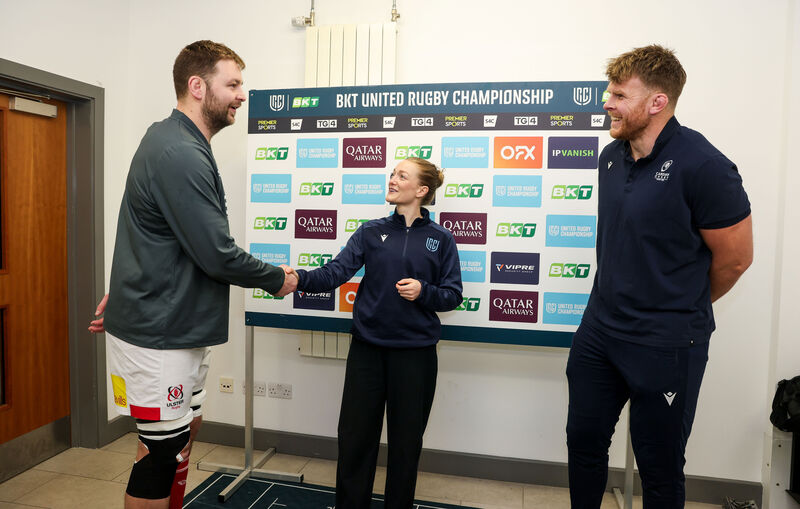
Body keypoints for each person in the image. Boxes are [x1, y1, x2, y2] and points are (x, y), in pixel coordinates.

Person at [88, 40, 297, 509]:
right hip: (157, 334)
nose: (242, 95)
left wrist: (124, 288)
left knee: (184, 432)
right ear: (198, 86)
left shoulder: (179, 141)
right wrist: (276, 278)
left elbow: (150, 233)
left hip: (176, 325)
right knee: (159, 452)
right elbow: (217, 254)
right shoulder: (177, 150)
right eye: (234, 84)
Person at [566, 44, 753, 508]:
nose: (606, 102)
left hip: (666, 342)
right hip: (600, 332)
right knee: (583, 444)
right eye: (608, 91)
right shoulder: (611, 157)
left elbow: (734, 260)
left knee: (660, 467)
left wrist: (676, 305)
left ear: (657, 102)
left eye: (618, 94)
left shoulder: (705, 166)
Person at [284, 157, 462, 509]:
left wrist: (423, 291)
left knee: (405, 445)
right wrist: (298, 278)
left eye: (401, 175)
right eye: (392, 173)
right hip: (367, 351)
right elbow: (335, 272)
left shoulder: (441, 239)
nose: (392, 179)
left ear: (422, 190)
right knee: (354, 441)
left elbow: (452, 295)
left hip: (415, 356)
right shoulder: (370, 231)